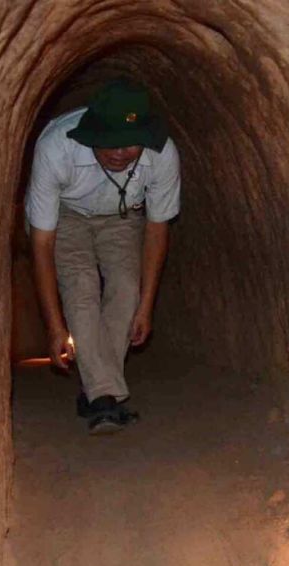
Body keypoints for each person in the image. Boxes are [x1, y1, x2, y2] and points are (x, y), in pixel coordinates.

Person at [25, 79, 180, 434]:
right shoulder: (55, 148)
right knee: (82, 287)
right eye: (108, 142)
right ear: (89, 133)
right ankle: (103, 399)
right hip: (65, 215)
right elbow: (42, 243)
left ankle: (97, 387)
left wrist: (146, 306)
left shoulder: (162, 153)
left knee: (126, 290)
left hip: (123, 214)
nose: (120, 152)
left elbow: (158, 229)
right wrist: (54, 327)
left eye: (130, 143)